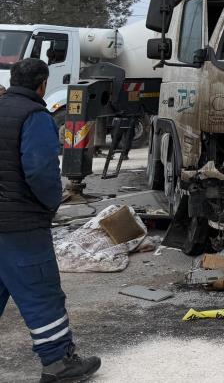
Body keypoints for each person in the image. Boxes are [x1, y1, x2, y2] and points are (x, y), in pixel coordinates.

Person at [0, 58, 101, 382]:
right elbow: (41, 171)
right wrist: (50, 205)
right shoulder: (35, 116)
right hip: (21, 226)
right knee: (41, 293)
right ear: (42, 84)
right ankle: (59, 362)